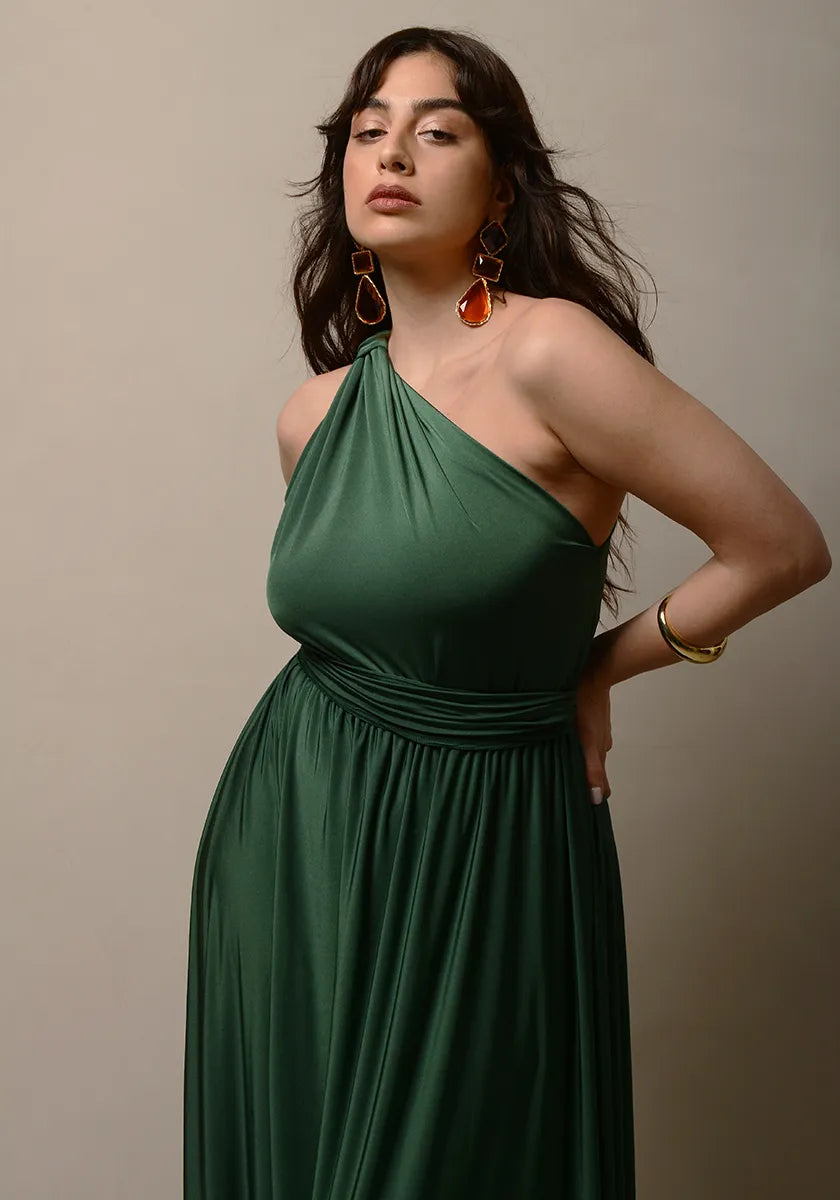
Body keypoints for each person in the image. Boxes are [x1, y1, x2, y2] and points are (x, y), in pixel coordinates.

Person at [182, 26, 831, 1199]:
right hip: (292, 840)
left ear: (500, 190)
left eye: (436, 132)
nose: (393, 153)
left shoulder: (553, 353)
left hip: (484, 836)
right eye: (368, 131)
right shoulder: (315, 417)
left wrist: (598, 668)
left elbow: (780, 547)